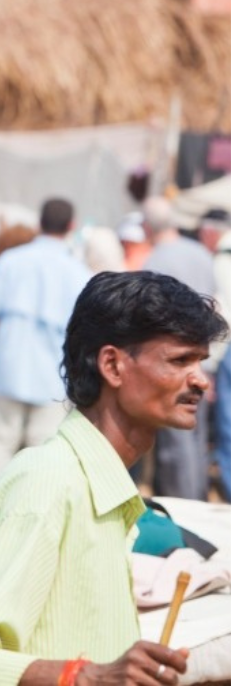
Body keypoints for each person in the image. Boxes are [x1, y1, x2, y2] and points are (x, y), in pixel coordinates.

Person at [0, 271, 229, 686]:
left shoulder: (106, 491)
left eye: (200, 361)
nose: (200, 379)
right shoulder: (49, 482)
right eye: (180, 360)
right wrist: (85, 676)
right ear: (112, 365)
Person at [0, 199, 91, 503]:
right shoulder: (78, 272)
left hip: (7, 368)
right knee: (44, 458)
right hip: (52, 376)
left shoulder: (12, 261)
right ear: (71, 227)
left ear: (40, 223)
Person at [141, 195, 217, 500]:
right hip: (203, 354)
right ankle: (196, 496)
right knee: (195, 434)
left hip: (174, 359)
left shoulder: (155, 261)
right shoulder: (199, 252)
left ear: (147, 226)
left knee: (177, 436)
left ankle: (184, 503)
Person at [199, 208, 231, 500]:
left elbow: (224, 317)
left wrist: (210, 363)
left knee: (228, 423)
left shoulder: (222, 258)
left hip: (228, 351)